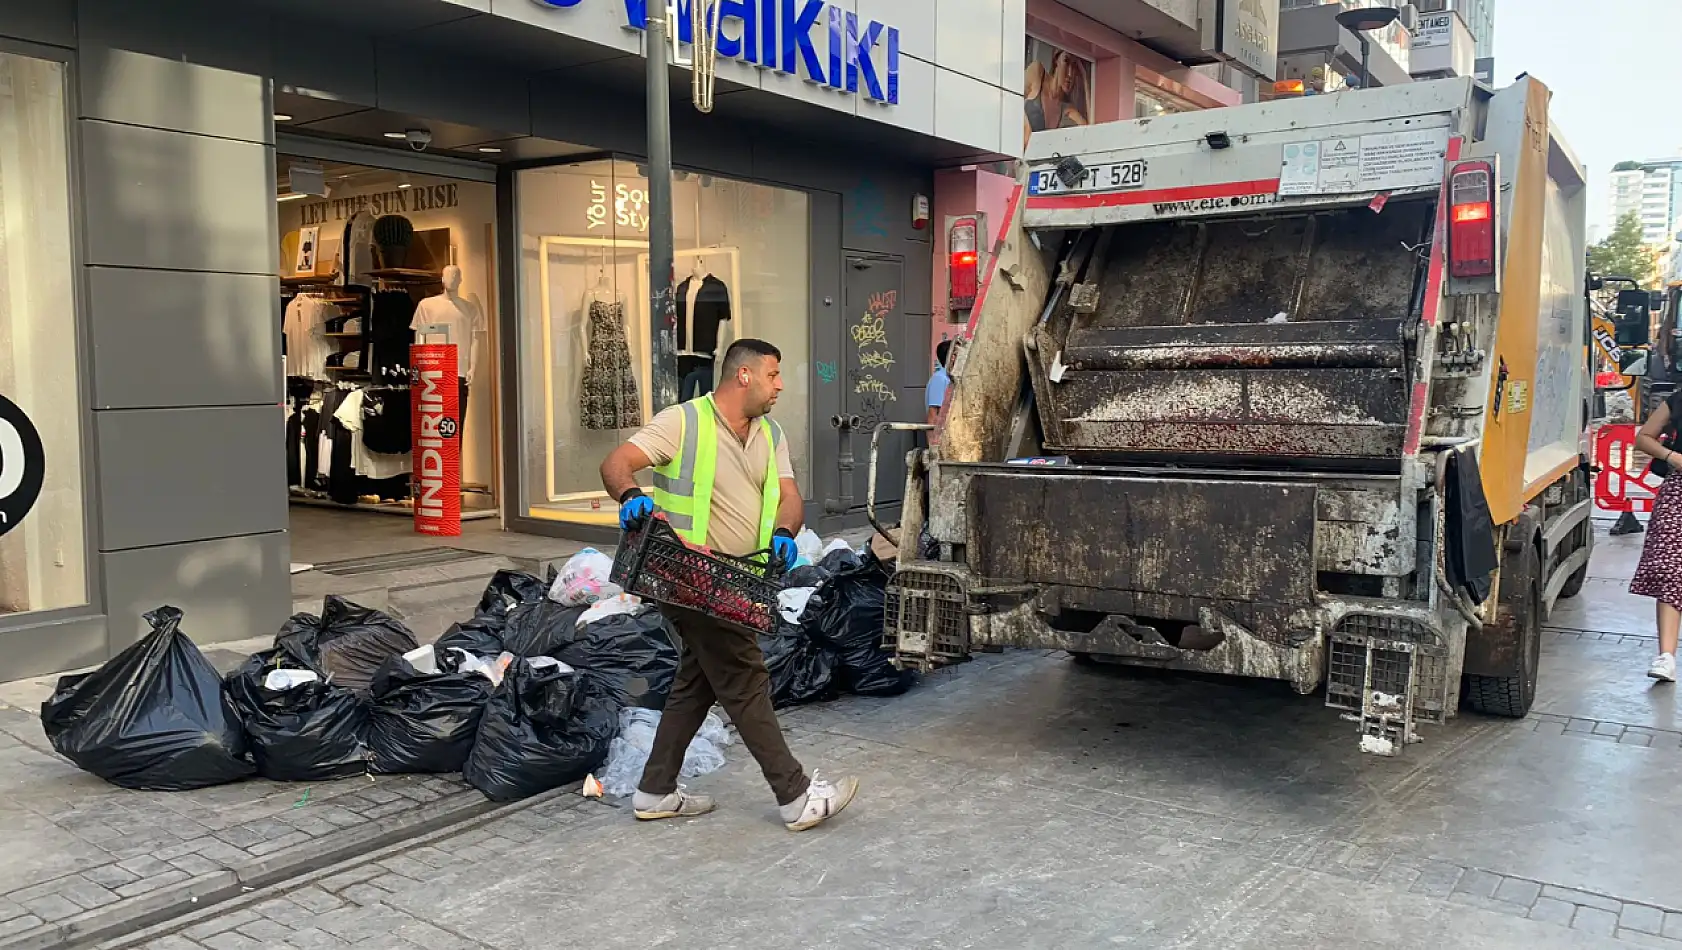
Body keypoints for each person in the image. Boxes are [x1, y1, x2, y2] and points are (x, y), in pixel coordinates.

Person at [599, 338, 860, 830]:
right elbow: (615, 463)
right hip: (683, 575)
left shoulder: (771, 432)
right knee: (744, 677)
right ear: (744, 375)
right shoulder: (683, 422)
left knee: (695, 682)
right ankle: (796, 795)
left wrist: (785, 531)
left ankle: (654, 791)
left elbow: (788, 495)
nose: (780, 384)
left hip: (739, 579)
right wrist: (630, 494)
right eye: (773, 374)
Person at [1631, 392, 1682, 682]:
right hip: (1678, 492)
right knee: (1670, 571)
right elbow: (1644, 437)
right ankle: (1667, 656)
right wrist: (1672, 456)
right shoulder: (1678, 400)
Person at [926, 339, 952, 425]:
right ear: (953, 356)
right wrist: (933, 438)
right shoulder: (940, 379)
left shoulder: (951, 378)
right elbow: (933, 415)